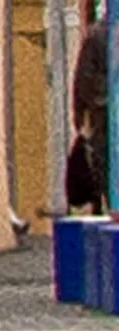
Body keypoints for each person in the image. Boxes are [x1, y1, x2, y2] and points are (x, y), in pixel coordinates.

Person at [67, 19, 109, 212]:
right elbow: (84, 80)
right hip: (106, 123)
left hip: (105, 121)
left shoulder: (99, 33)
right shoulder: (100, 35)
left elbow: (84, 80)